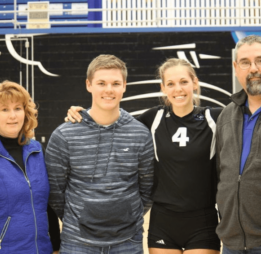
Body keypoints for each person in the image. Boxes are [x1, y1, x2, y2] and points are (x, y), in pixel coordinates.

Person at [67, 58, 222, 254]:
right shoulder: (153, 118)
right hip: (163, 221)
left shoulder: (215, 118)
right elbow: (114, 123)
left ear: (195, 83)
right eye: (171, 84)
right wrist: (82, 114)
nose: (178, 89)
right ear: (163, 87)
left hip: (203, 220)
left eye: (184, 82)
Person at [45, 54, 154, 254]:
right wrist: (79, 219)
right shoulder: (64, 135)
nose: (109, 90)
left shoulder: (140, 133)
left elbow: (146, 189)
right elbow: (55, 192)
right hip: (77, 242)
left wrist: (128, 215)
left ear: (124, 86)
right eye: (101, 83)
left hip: (127, 242)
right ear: (89, 85)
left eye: (115, 83)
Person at [0, 81, 60, 254]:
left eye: (17, 108)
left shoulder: (37, 151)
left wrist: (56, 246)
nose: (13, 116)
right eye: (5, 110)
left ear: (26, 112)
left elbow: (48, 205)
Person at [216, 35, 261, 253]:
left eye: (260, 60)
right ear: (236, 67)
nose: (253, 68)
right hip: (232, 243)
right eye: (245, 62)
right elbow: (221, 174)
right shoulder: (226, 115)